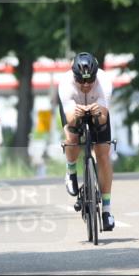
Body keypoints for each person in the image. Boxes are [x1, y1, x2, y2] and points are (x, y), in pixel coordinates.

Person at [59, 52, 116, 232]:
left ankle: (106, 210)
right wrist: (77, 114)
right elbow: (69, 119)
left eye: (89, 81)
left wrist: (97, 112)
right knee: (72, 137)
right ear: (74, 76)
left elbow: (103, 118)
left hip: (98, 110)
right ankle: (71, 170)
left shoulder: (104, 82)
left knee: (103, 153)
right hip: (73, 112)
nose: (85, 85)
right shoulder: (65, 84)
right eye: (81, 81)